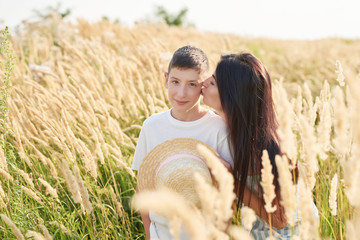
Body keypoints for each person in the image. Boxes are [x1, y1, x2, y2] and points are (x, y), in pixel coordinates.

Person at [131, 45, 233, 240]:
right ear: (166, 79)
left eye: (192, 84)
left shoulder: (218, 128)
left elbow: (227, 194)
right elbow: (144, 187)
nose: (181, 93)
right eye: (175, 82)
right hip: (161, 232)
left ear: (204, 86)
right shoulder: (152, 126)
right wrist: (149, 235)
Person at [202, 52, 302, 239]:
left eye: (213, 82)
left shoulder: (269, 147)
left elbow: (281, 219)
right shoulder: (224, 128)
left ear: (232, 96)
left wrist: (231, 180)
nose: (204, 82)